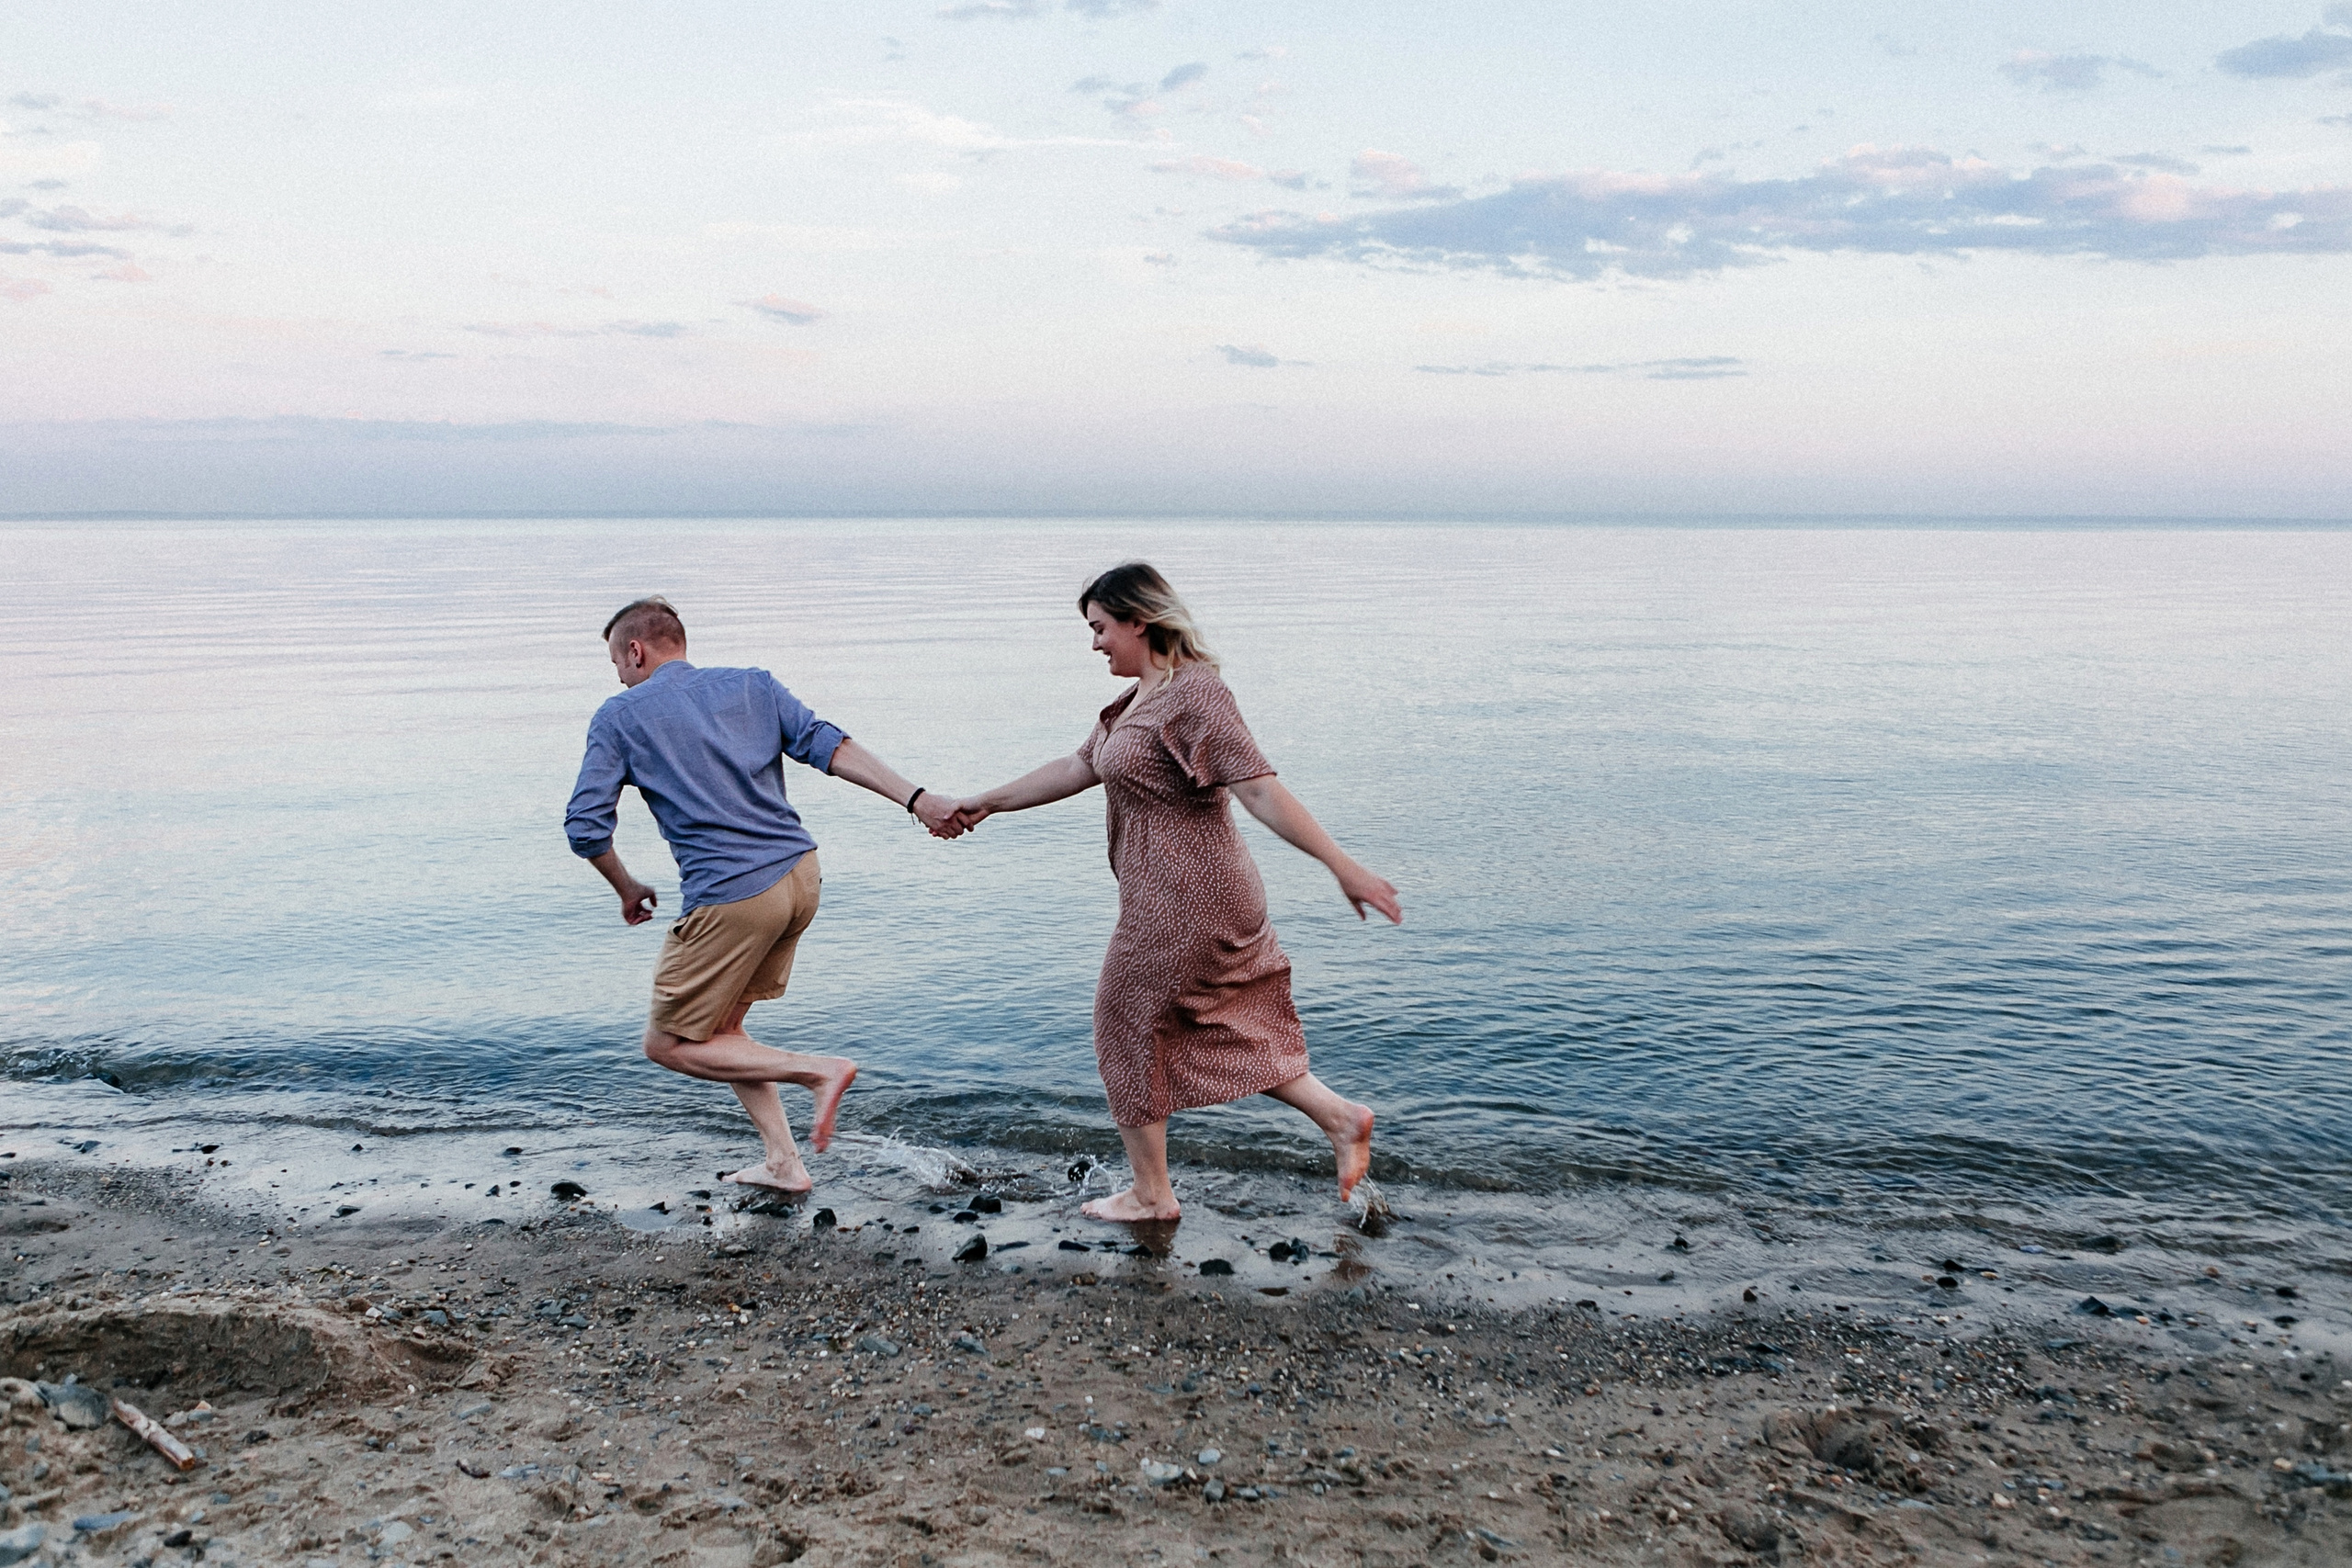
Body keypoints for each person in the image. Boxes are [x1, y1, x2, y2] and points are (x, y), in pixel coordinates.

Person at [951, 563, 1401, 1223]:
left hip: (1188, 901)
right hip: (1174, 898)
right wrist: (983, 801)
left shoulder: (1196, 694)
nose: (1096, 643)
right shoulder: (1137, 699)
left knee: (1123, 1025)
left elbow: (1258, 787)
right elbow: (1079, 766)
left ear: (1140, 619)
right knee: (1216, 1020)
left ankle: (1152, 1195)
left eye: (1101, 628)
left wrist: (1342, 864)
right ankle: (1340, 1117)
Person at [564, 596, 962, 1195]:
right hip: (800, 875)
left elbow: (585, 827)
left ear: (636, 650)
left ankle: (818, 1072)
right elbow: (831, 746)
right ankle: (783, 1162)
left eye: (618, 663)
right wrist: (917, 798)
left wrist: (626, 886)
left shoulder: (619, 715)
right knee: (724, 1029)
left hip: (732, 895)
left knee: (669, 1042)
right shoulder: (754, 685)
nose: (619, 677)